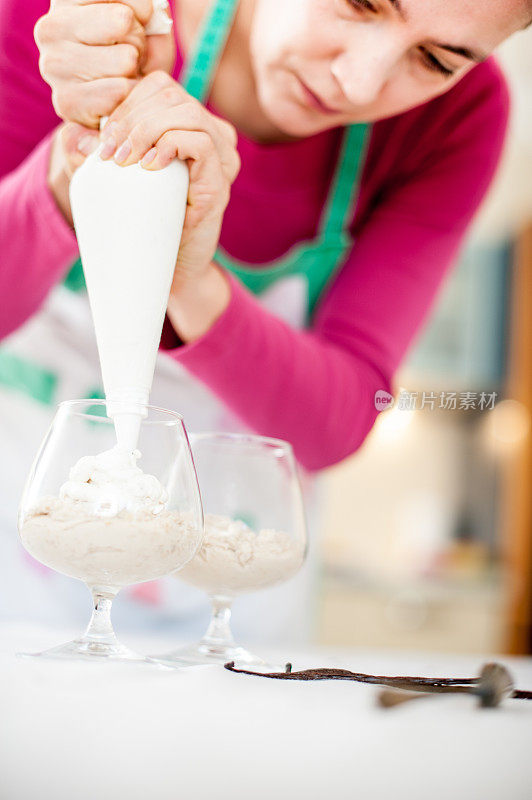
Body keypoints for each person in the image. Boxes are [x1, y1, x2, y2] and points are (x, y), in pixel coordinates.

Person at [0, 0, 527, 637]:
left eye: (436, 61)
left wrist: (191, 281)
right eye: (360, 4)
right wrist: (76, 165)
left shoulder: (455, 119)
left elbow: (341, 418)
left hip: (232, 602)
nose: (357, 83)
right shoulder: (77, 29)